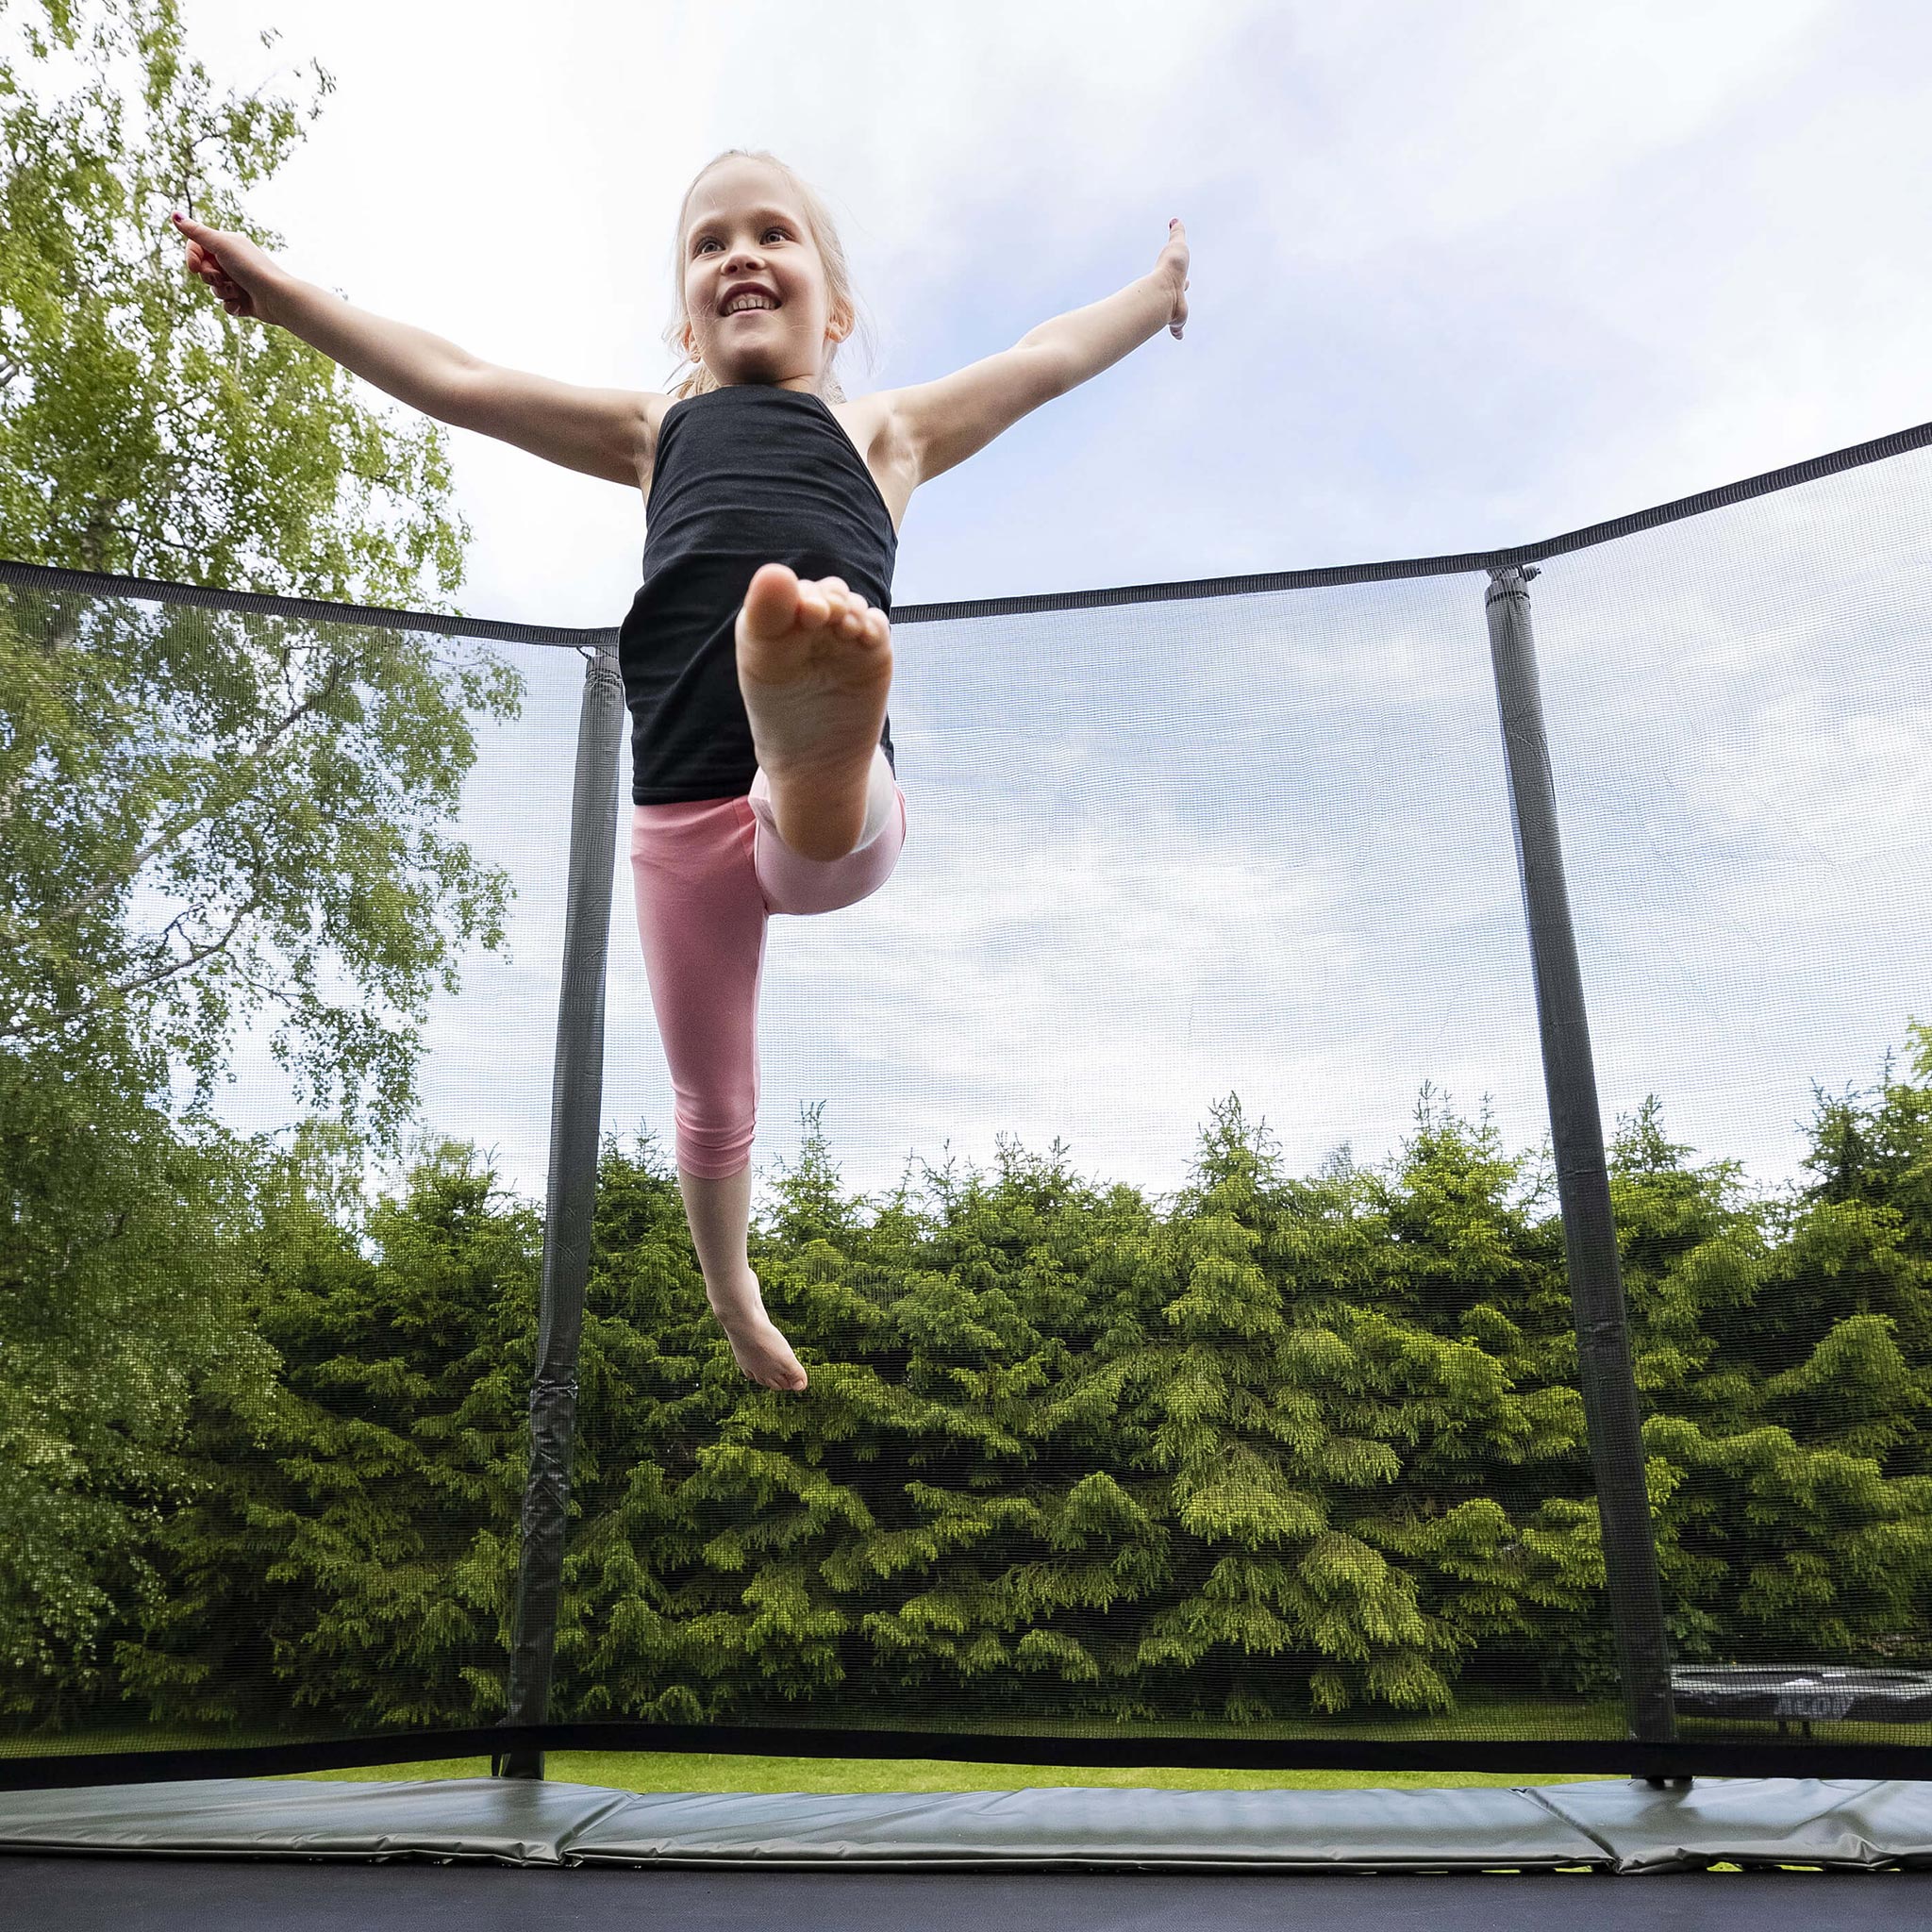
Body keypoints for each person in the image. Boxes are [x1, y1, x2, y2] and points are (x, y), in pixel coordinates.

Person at [173, 149, 1189, 1395]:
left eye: (774, 235)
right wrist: (288, 300)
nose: (741, 255)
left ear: (837, 307)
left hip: (818, 809)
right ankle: (732, 1288)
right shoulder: (658, 432)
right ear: (686, 313)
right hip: (678, 818)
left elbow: (1046, 357)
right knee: (712, 1099)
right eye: (710, 245)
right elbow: (460, 379)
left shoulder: (889, 430)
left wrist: (1153, 297)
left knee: (821, 832)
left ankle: (814, 737)